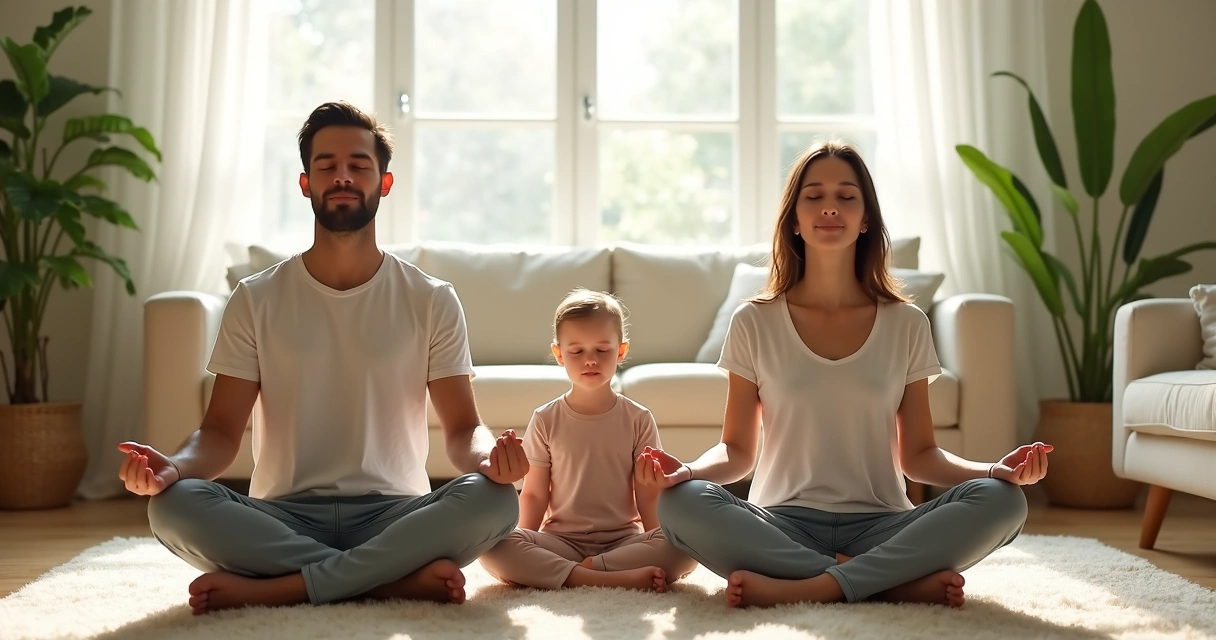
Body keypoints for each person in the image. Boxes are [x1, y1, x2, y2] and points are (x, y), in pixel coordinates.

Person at [115, 101, 525, 615]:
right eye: (327, 166)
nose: (343, 177)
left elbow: (464, 428)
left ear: (385, 183)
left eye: (359, 165)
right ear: (306, 182)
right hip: (282, 515)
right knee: (173, 506)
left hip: (396, 514)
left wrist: (492, 459)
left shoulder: (431, 298)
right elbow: (219, 434)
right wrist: (172, 468)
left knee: (495, 499)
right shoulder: (256, 298)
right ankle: (386, 579)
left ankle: (281, 586)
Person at [634, 141, 1053, 609]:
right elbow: (737, 452)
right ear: (794, 219)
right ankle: (891, 584)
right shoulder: (754, 321)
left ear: (866, 217)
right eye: (813, 196)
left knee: (1005, 502)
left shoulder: (907, 323)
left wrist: (996, 470)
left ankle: (814, 585)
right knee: (679, 503)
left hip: (883, 524)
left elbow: (919, 456)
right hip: (779, 524)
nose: (830, 207)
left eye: (846, 196)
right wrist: (686, 472)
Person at [478, 289, 698, 592]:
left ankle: (587, 571)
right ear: (559, 354)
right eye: (577, 351)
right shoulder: (545, 418)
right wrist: (525, 542)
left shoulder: (638, 418)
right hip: (561, 542)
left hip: (623, 541)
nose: (590, 360)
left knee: (687, 543)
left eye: (602, 350)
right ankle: (596, 576)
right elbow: (534, 495)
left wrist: (655, 540)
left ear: (621, 352)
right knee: (492, 545)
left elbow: (647, 494)